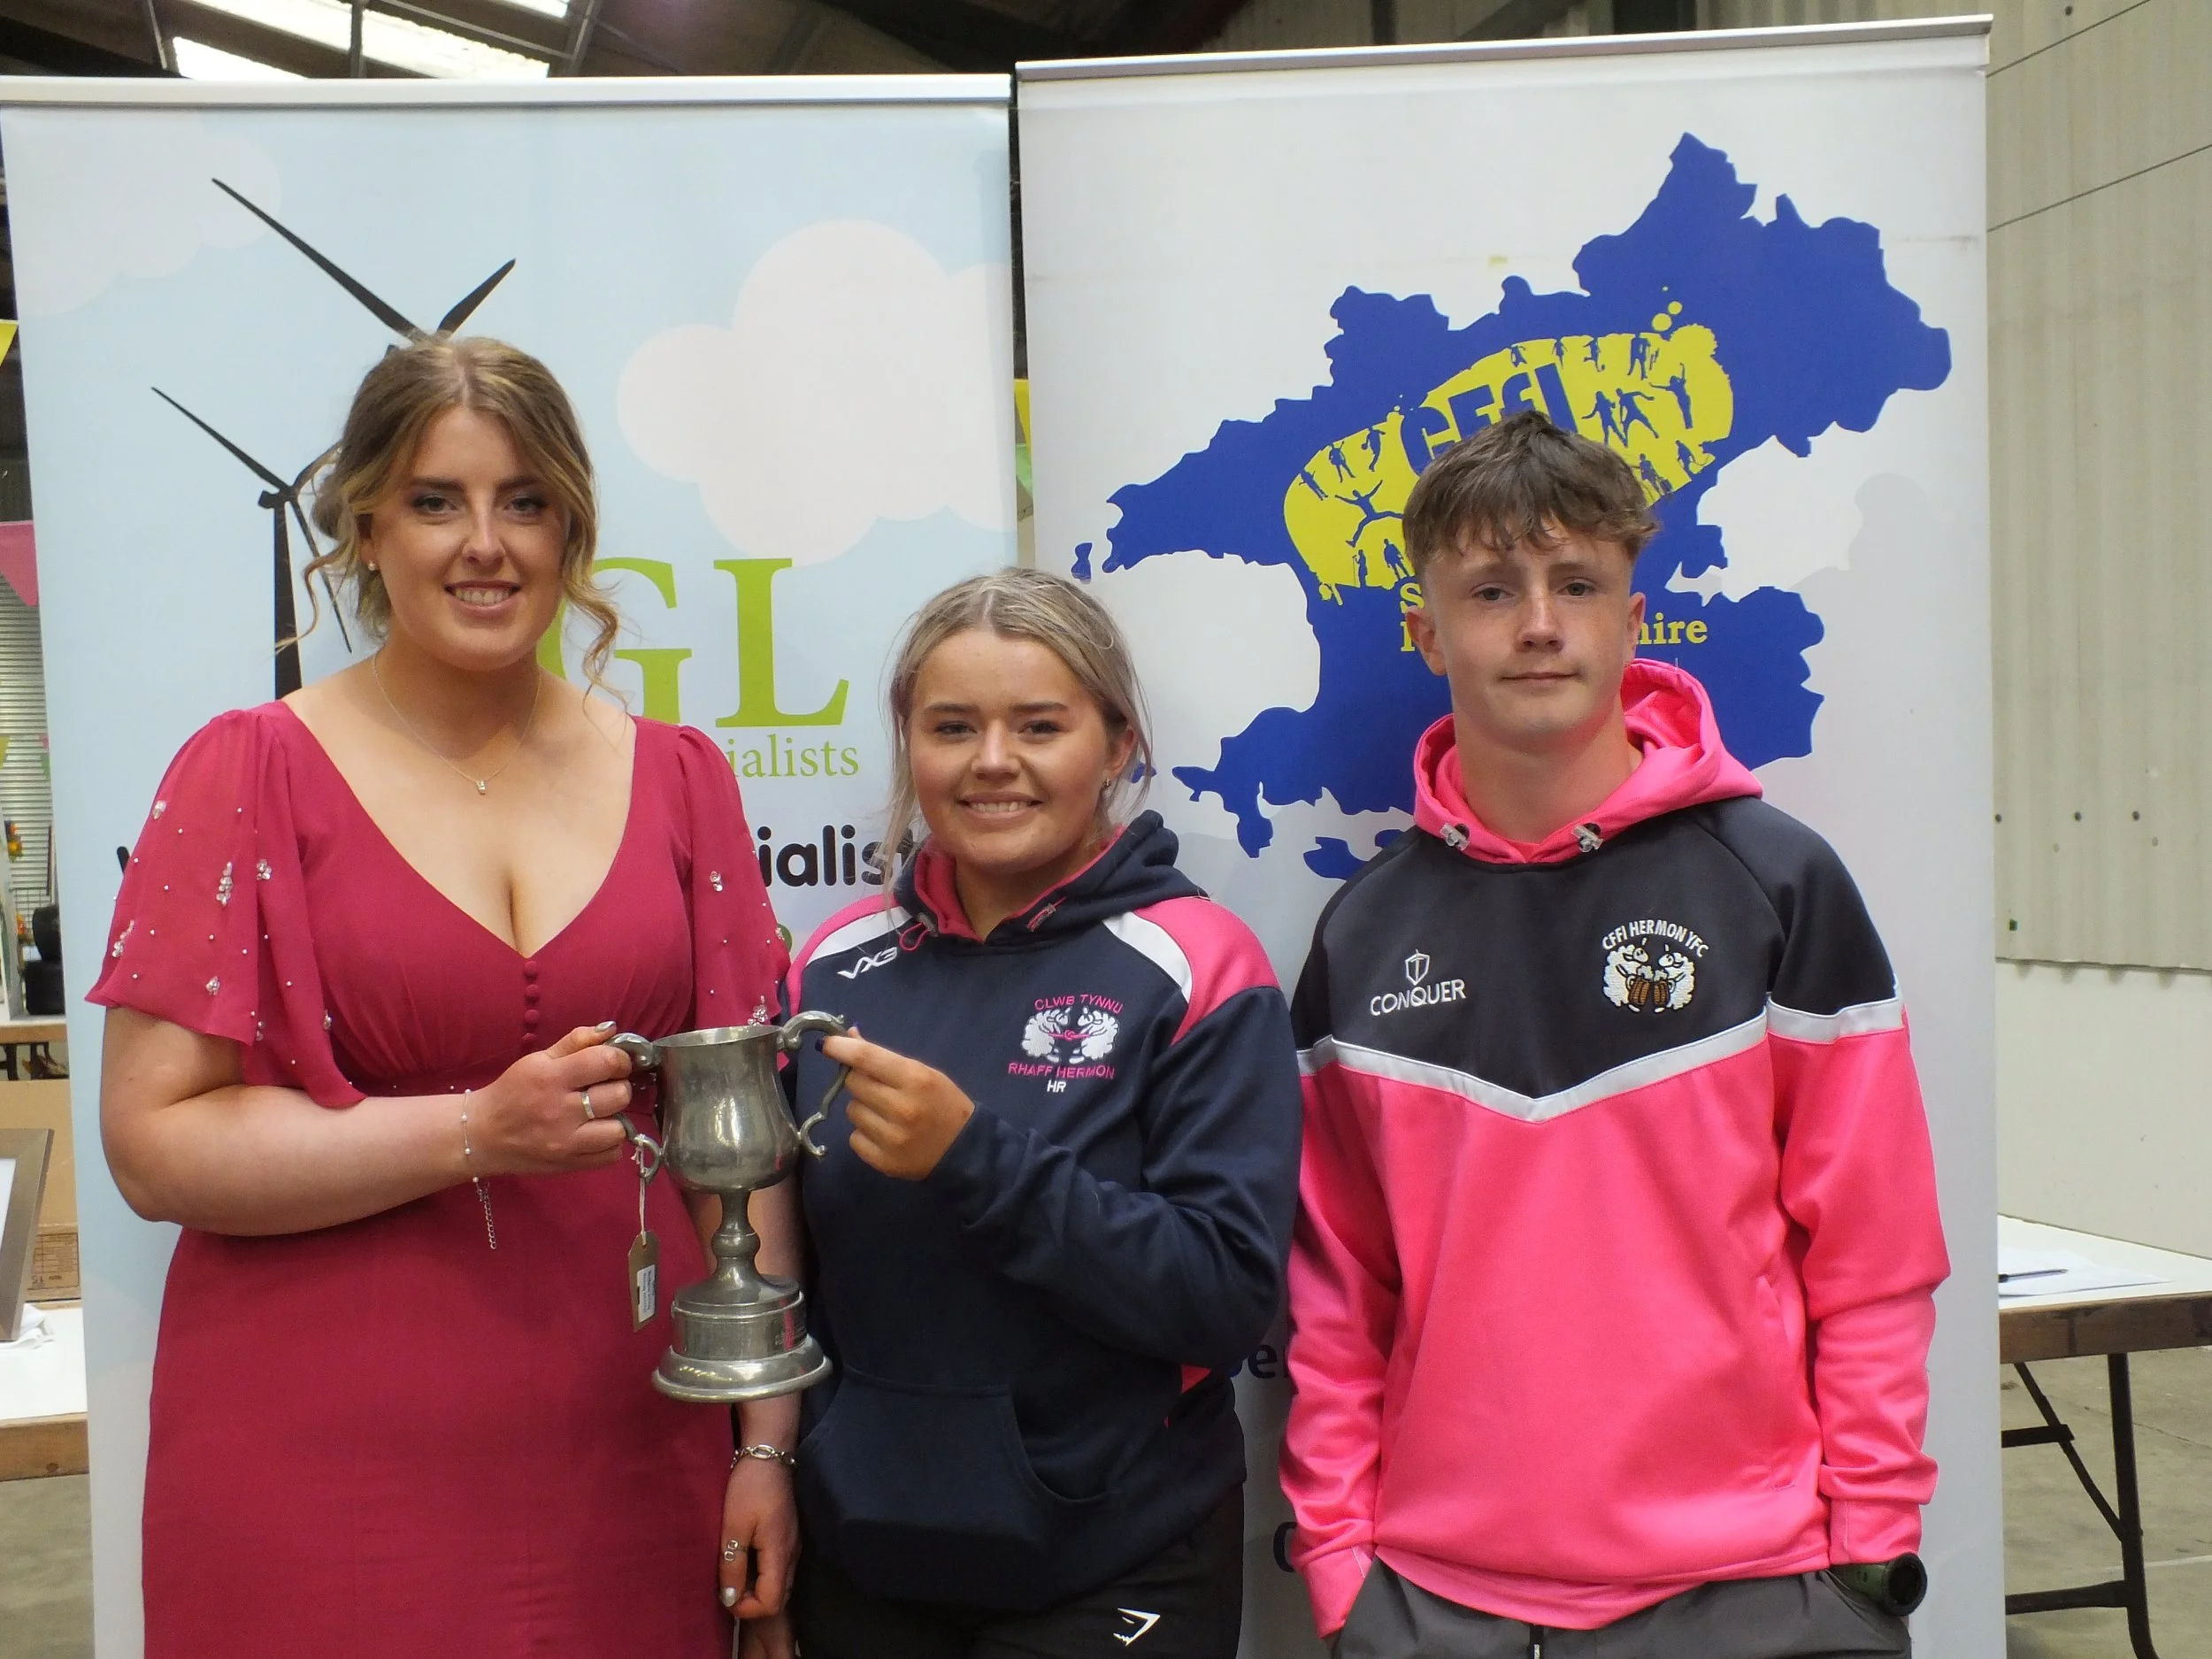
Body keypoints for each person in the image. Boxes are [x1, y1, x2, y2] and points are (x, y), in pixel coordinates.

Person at [93, 336, 796, 1657]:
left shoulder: (687, 776)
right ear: (364, 526)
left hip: (633, 1436)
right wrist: (474, 1131)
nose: (486, 543)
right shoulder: (249, 769)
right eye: (436, 500)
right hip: (317, 1457)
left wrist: (768, 1440)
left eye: (524, 500)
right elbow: (151, 1141)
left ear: (572, 526)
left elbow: (740, 1157)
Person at [1282, 411, 1950, 1658]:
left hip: (1754, 1586)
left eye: (1577, 582)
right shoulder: (1363, 932)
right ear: (1425, 630)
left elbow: (1873, 1252)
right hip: (1436, 1598)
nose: (1539, 621)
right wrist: (1338, 1557)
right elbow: (1337, 1291)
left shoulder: (1776, 883)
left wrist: (1867, 1547)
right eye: (1491, 587)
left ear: (1633, 617)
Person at [752, 568, 1302, 1659]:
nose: (992, 761)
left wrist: (974, 1159)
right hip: (865, 1556)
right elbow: (774, 1267)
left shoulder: (1195, 965)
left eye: (1038, 726)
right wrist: (766, 1464)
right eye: (952, 726)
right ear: (909, 745)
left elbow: (1224, 1300)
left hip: (1113, 1562)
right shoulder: (827, 969)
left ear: (1115, 743)